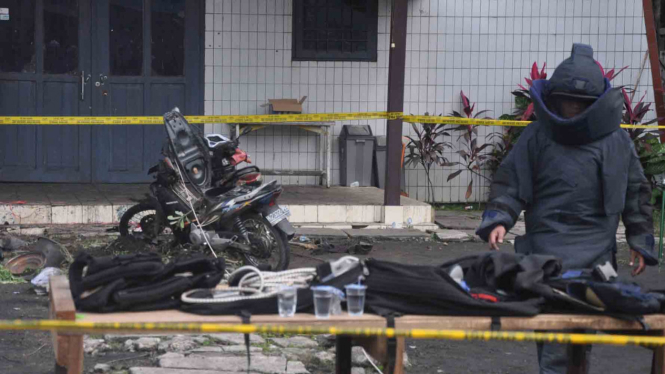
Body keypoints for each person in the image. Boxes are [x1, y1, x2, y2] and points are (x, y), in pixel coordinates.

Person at [476, 43, 659, 374]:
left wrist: (640, 239)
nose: (573, 109)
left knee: (577, 335)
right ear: (554, 99)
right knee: (552, 335)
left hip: (595, 256)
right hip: (545, 255)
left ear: (596, 104)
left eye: (580, 104)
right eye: (567, 101)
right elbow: (511, 182)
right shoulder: (537, 136)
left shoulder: (616, 141)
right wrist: (499, 218)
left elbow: (636, 192)